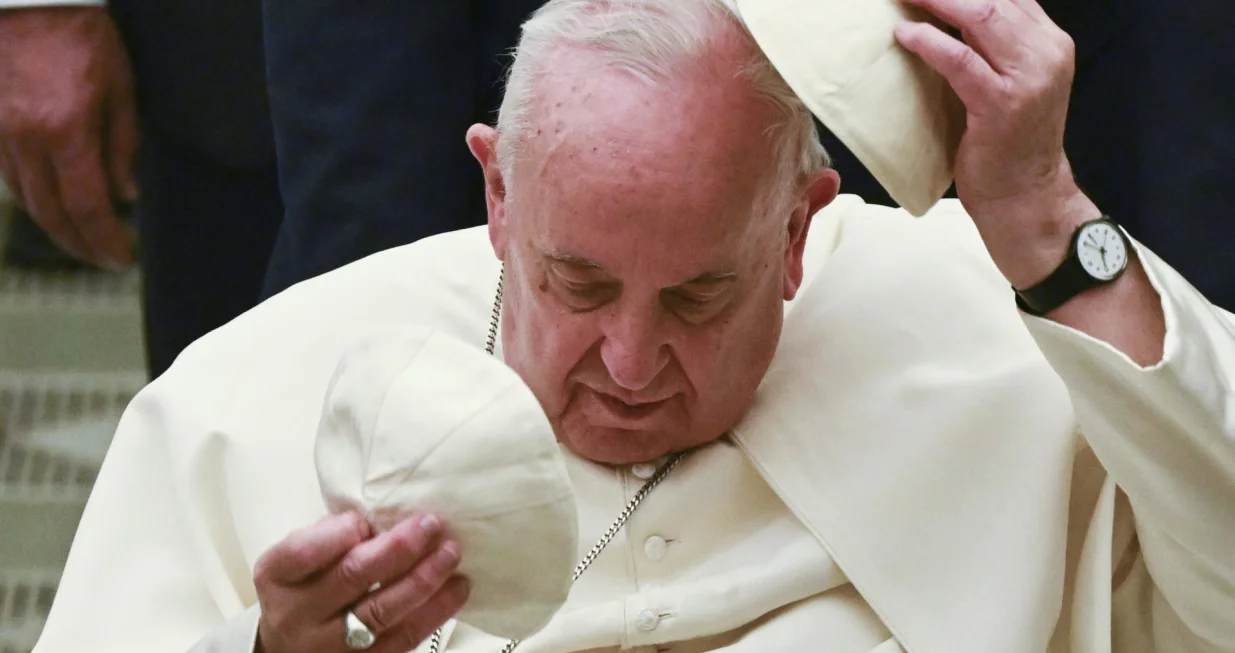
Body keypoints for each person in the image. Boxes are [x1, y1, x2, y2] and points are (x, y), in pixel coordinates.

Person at [34, 0, 1235, 652]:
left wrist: (1042, 220)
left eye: (698, 296)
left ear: (798, 230)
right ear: (497, 193)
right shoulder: (249, 398)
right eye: (580, 283)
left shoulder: (978, 337)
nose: (627, 364)